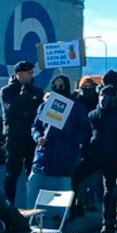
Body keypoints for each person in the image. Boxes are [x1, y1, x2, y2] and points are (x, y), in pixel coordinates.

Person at [25, 76, 90, 210]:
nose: (58, 89)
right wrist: (38, 137)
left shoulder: (77, 107)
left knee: (63, 191)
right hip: (43, 156)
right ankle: (33, 216)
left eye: (61, 86)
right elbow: (35, 126)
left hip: (64, 155)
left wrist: (72, 141)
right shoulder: (45, 106)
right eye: (55, 86)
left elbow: (84, 129)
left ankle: (61, 216)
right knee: (34, 187)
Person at [72, 83, 117, 231]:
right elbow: (86, 136)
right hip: (94, 155)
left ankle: (108, 222)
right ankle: (74, 209)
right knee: (75, 178)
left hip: (111, 158)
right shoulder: (93, 115)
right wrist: (85, 152)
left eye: (106, 96)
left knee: (109, 190)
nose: (103, 99)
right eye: (102, 96)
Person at [0, 61, 45, 205]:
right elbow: (13, 110)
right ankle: (8, 205)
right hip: (15, 137)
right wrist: (24, 94)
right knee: (12, 173)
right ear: (18, 74)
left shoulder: (37, 91)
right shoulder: (7, 91)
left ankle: (32, 204)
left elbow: (38, 113)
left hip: (31, 137)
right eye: (28, 73)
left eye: (32, 73)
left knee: (33, 173)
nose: (31, 76)